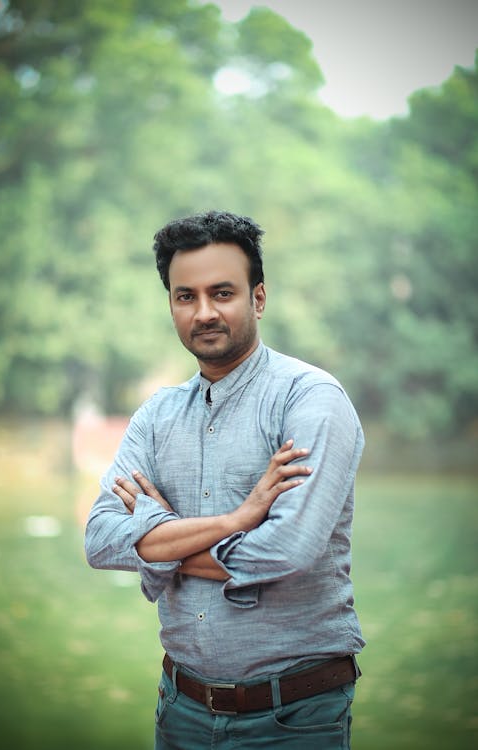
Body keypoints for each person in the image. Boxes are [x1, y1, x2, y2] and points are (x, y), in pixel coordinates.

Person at [85, 210, 365, 749]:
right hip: (181, 709)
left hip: (294, 716)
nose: (204, 312)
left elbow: (286, 550)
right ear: (170, 304)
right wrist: (237, 520)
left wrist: (157, 538)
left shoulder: (309, 400)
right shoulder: (156, 416)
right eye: (185, 296)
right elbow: (99, 541)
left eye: (222, 293)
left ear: (258, 298)